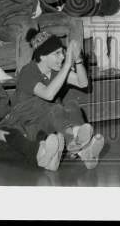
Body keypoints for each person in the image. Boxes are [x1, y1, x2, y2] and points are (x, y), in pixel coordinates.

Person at [10, 31, 105, 169]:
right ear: (42, 56)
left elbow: (83, 83)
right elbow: (48, 95)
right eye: (57, 53)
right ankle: (78, 145)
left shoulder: (55, 69)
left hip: (50, 120)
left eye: (63, 52)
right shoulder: (28, 71)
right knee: (55, 107)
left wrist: (77, 59)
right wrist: (67, 65)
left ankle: (81, 147)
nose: (62, 57)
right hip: (29, 126)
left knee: (72, 105)